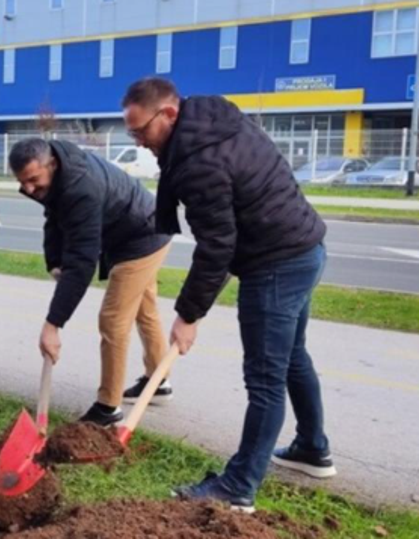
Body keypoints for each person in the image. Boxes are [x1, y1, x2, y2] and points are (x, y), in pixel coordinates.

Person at [121, 77, 334, 514]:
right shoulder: (213, 120)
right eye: (132, 133)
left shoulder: (199, 163)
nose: (138, 141)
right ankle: (313, 449)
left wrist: (188, 316)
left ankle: (238, 487)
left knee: (265, 379)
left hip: (275, 264)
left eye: (141, 130)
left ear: (169, 114)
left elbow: (217, 247)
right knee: (293, 357)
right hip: (305, 247)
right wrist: (193, 310)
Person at [8, 138, 173, 426]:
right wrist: (54, 261)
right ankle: (158, 380)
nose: (30, 189)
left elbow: (82, 262)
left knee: (113, 319)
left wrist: (53, 324)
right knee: (144, 310)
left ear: (52, 164)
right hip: (136, 226)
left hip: (143, 236)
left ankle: (108, 408)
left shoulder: (80, 188)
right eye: (23, 183)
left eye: (33, 180)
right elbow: (54, 215)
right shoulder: (59, 172)